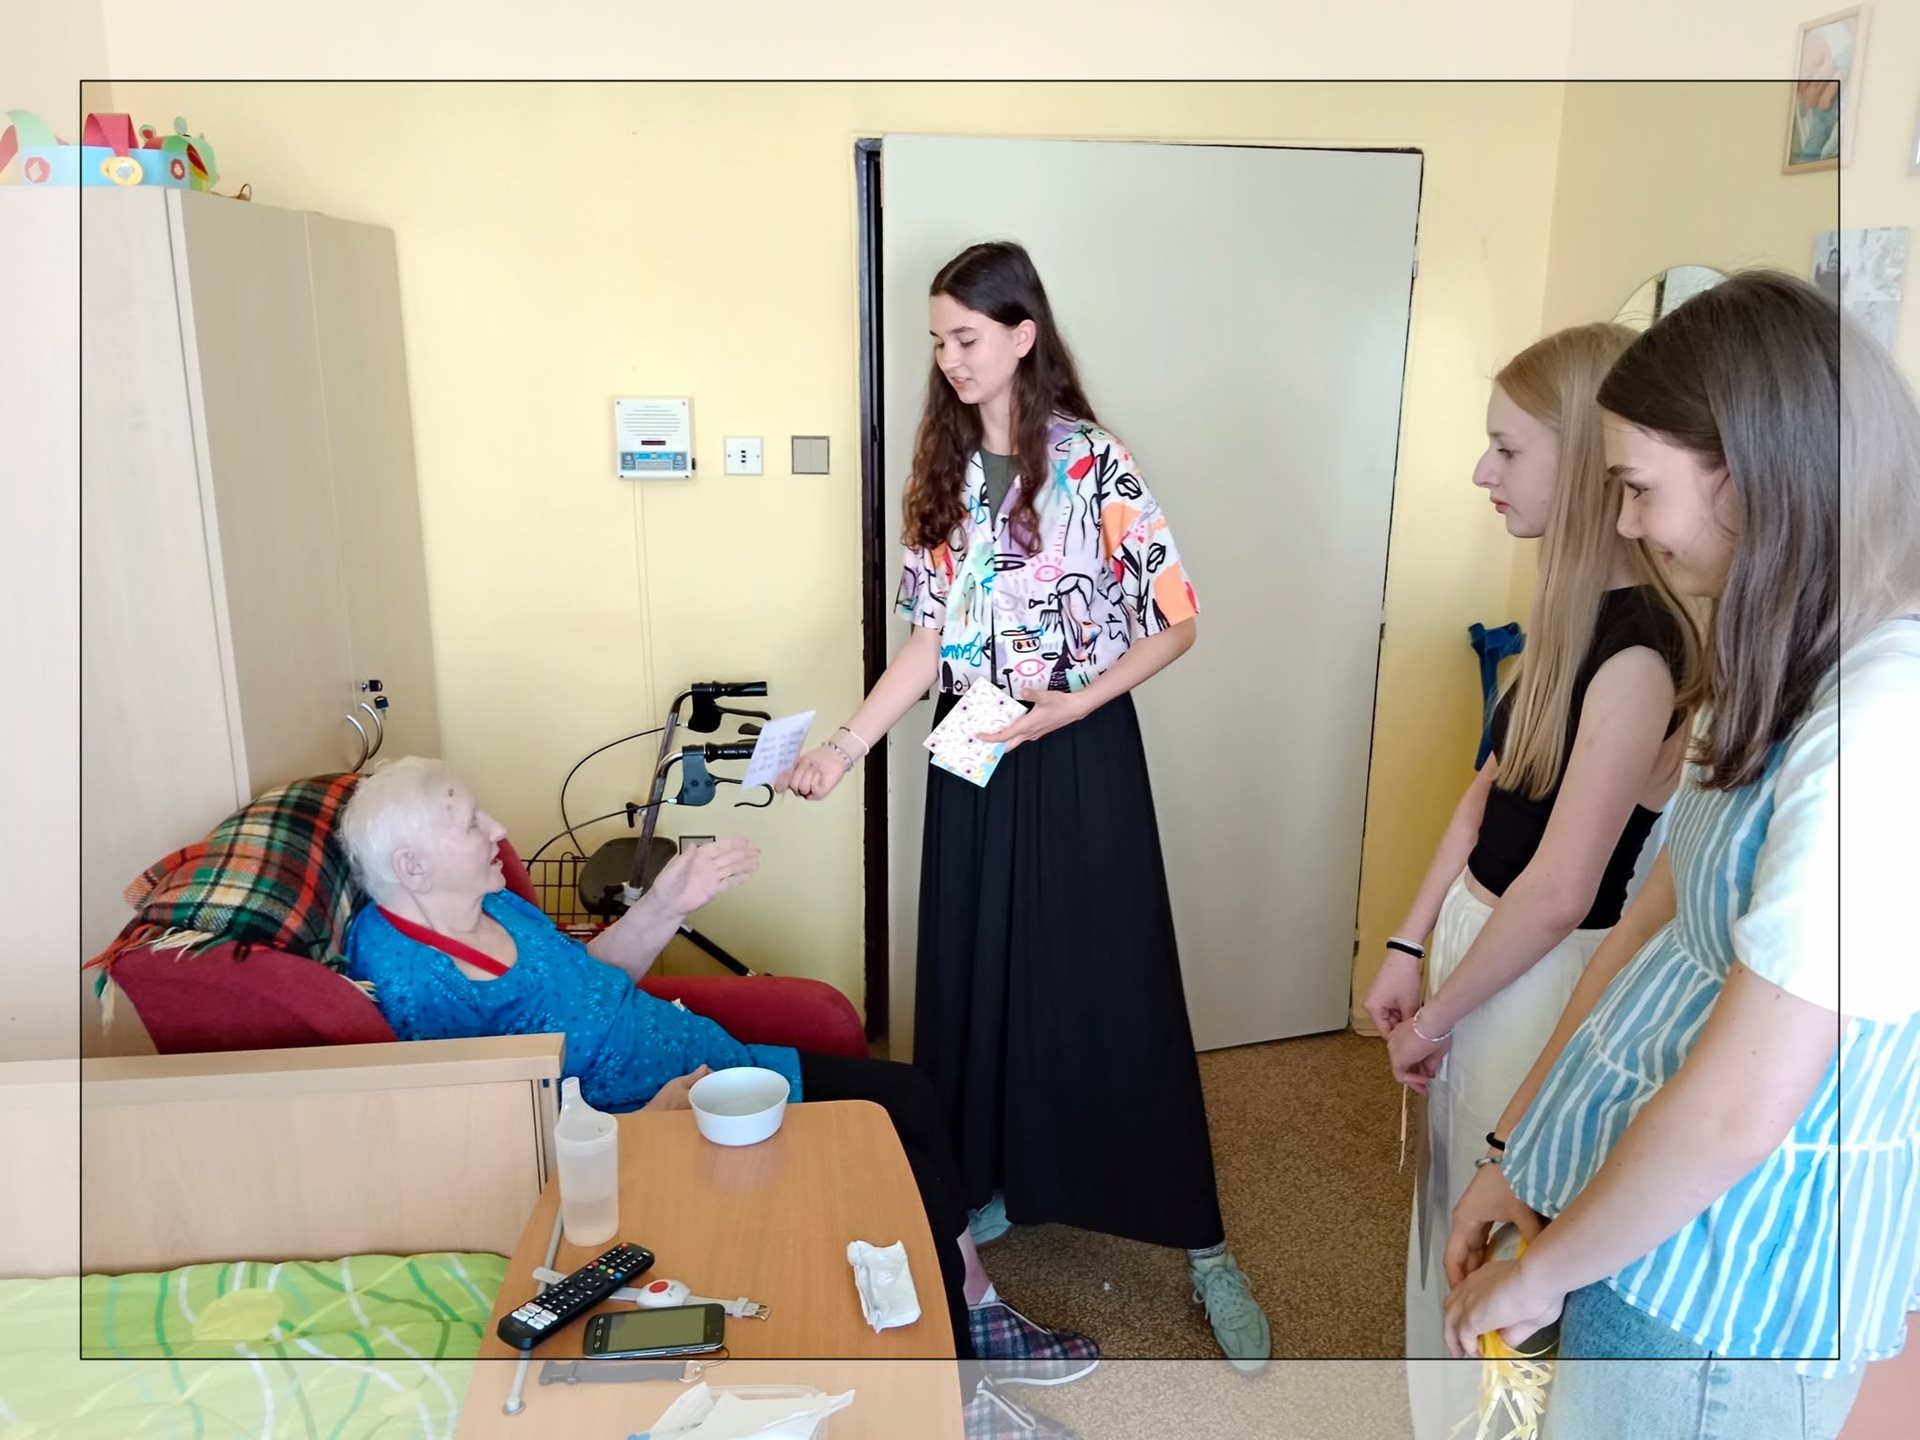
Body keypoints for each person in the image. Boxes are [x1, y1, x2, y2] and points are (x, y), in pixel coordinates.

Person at [1443, 272, 1919, 1438]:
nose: (1625, 523)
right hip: (1638, 1217)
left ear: (1751, 480)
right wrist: (1520, 1142)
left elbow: (1744, 1103)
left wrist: (1545, 1274)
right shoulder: (1771, 664)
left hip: (1723, 1290)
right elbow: (1652, 922)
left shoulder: (1881, 720)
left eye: (1639, 487)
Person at [779, 240, 1269, 1367]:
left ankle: (1203, 1245)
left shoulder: (1093, 462)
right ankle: (986, 1182)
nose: (949, 359)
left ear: (1021, 334)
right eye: (938, 341)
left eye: (966, 337)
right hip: (972, 745)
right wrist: (846, 747)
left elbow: (1179, 619)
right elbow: (929, 641)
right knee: (974, 980)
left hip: (1078, 743)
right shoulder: (944, 470)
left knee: (1115, 984)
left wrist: (1077, 703)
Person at [337, 755, 1099, 1383]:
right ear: (413, 865)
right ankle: (959, 1384)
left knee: (910, 1093)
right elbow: (504, 1133)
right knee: (913, 1184)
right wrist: (652, 1119)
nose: (498, 832)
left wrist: (666, 904)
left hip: (712, 1064)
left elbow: (591, 982)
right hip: (672, 1121)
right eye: (471, 823)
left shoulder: (495, 905)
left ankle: (979, 1307)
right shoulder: (416, 983)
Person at [1359, 324, 1697, 1406]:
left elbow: (1557, 892)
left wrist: (1437, 1015)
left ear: (1587, 460)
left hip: (1539, 972)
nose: (1482, 472)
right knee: (1450, 1199)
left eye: (1508, 449)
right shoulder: (1568, 613)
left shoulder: (1640, 650)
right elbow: (1489, 793)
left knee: (1497, 1217)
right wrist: (1409, 940)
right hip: (1482, 942)